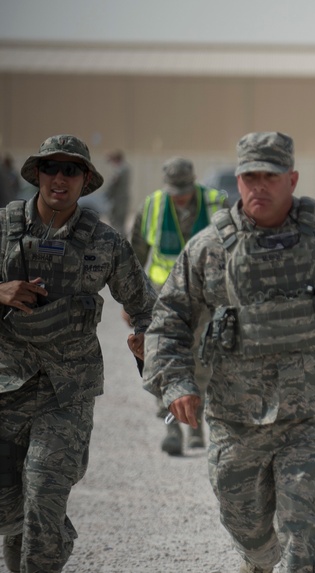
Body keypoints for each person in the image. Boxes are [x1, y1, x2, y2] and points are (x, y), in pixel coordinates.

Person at [142, 132, 315, 573]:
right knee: (246, 528)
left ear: (292, 179)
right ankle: (260, 561)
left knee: (300, 529)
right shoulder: (209, 249)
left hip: (312, 413)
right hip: (235, 418)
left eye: (270, 176)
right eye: (249, 176)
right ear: (238, 180)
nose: (258, 186)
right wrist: (177, 383)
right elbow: (167, 319)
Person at [0, 135, 156, 572]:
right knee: (10, 509)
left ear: (85, 179)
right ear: (37, 174)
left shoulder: (103, 242)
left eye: (72, 170)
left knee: (45, 494)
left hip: (66, 393)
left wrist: (145, 337)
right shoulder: (2, 227)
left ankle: (42, 543)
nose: (60, 178)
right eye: (52, 167)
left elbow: (145, 304)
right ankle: (26, 529)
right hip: (5, 385)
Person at [129, 157, 228, 456]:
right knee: (163, 361)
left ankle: (196, 422)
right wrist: (131, 301)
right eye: (175, 191)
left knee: (201, 362)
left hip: (205, 299)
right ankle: (172, 427)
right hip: (162, 297)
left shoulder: (215, 202)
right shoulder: (153, 206)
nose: (180, 196)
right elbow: (135, 254)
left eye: (184, 190)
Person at [103, 150, 131, 232]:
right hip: (124, 198)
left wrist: (106, 193)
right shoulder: (127, 168)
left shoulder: (119, 170)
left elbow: (113, 183)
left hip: (117, 200)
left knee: (116, 222)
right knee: (121, 222)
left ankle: (119, 241)